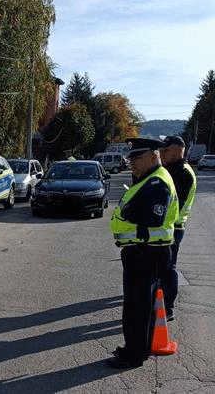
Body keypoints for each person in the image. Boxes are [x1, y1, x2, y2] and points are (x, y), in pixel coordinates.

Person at [107, 138, 179, 368]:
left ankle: (133, 354)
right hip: (144, 251)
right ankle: (138, 349)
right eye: (131, 159)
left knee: (137, 306)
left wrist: (128, 212)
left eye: (137, 158)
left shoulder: (156, 182)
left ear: (153, 156)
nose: (132, 163)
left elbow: (154, 217)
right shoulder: (148, 180)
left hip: (146, 252)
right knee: (140, 305)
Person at [159, 135, 196, 321]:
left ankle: (168, 308)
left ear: (178, 150)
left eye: (166, 150)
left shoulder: (182, 172)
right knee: (163, 267)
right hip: (168, 227)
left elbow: (175, 205)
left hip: (174, 228)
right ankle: (161, 303)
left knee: (168, 268)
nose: (162, 153)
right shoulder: (172, 169)